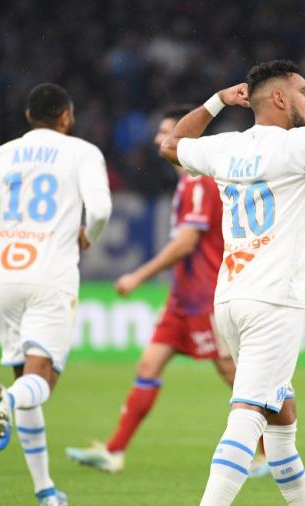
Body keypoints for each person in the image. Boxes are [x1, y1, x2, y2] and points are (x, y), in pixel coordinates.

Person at [159, 60, 305, 506]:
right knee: (251, 411)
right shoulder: (295, 145)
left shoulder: (226, 147)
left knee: (282, 413)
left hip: (230, 299)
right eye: (302, 92)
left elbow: (170, 147)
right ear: (278, 100)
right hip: (273, 301)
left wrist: (215, 101)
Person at [65, 106, 268, 476]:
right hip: (182, 299)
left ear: (187, 138)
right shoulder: (187, 182)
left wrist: (137, 277)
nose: (159, 139)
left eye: (166, 132)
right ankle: (114, 452)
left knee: (233, 373)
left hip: (205, 298)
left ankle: (270, 453)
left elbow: (187, 243)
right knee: (148, 364)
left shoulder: (198, 182)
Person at [0, 83, 112, 506]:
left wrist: (0, 249)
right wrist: (87, 238)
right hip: (52, 276)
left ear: (29, 117)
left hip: (6, 277)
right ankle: (5, 402)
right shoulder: (83, 152)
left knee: (24, 378)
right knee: (40, 382)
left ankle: (45, 491)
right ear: (66, 116)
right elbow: (99, 212)